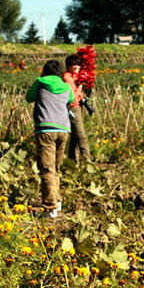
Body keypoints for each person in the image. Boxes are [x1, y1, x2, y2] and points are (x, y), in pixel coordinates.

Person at [25, 60, 73, 218]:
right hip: (64, 129)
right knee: (57, 167)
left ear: (44, 71)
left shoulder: (40, 82)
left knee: (46, 169)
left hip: (45, 129)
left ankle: (50, 207)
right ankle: (57, 201)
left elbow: (29, 97)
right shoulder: (66, 86)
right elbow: (71, 101)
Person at [63, 54, 92, 163]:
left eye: (78, 64)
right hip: (73, 108)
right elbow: (73, 98)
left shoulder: (75, 76)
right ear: (68, 66)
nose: (76, 67)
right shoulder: (68, 78)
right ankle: (88, 161)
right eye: (73, 64)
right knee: (81, 136)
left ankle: (72, 161)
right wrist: (80, 86)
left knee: (75, 137)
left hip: (78, 107)